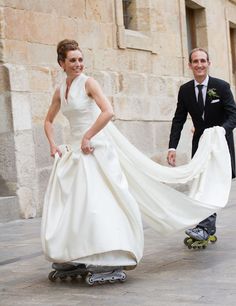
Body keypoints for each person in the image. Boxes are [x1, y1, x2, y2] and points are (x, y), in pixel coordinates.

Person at [41, 40, 232, 285]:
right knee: (73, 203)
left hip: (95, 149)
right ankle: (74, 253)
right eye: (72, 60)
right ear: (61, 64)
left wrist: (88, 135)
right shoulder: (60, 90)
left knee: (99, 202)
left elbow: (108, 111)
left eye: (80, 59)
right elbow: (48, 120)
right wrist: (52, 143)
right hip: (74, 153)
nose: (78, 64)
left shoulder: (89, 83)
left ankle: (111, 256)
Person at [167, 47, 236, 242]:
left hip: (221, 144)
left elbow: (233, 114)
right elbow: (178, 119)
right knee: (203, 183)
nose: (199, 65)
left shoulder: (221, 87)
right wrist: (172, 147)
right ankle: (205, 227)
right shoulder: (186, 90)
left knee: (211, 183)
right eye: (195, 61)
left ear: (209, 63)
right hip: (200, 145)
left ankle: (204, 227)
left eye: (203, 61)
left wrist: (221, 130)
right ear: (189, 65)